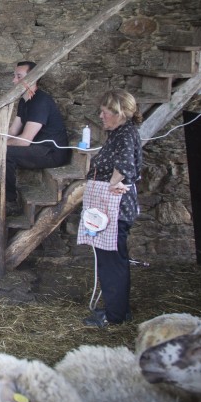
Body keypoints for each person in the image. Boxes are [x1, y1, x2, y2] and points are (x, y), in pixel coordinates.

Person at [82, 90, 143, 328]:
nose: (101, 115)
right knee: (113, 259)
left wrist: (112, 186)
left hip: (115, 210)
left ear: (118, 113)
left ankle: (114, 316)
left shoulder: (125, 134)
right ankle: (119, 310)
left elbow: (125, 166)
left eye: (104, 112)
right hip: (113, 209)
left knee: (112, 262)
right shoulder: (120, 133)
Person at [0, 61, 71, 214]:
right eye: (14, 76)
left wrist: (0, 146)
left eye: (19, 76)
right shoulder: (24, 100)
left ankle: (10, 202)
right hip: (37, 147)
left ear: (33, 78)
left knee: (4, 153)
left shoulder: (40, 101)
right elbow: (13, 130)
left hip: (52, 152)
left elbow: (24, 140)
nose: (14, 80)